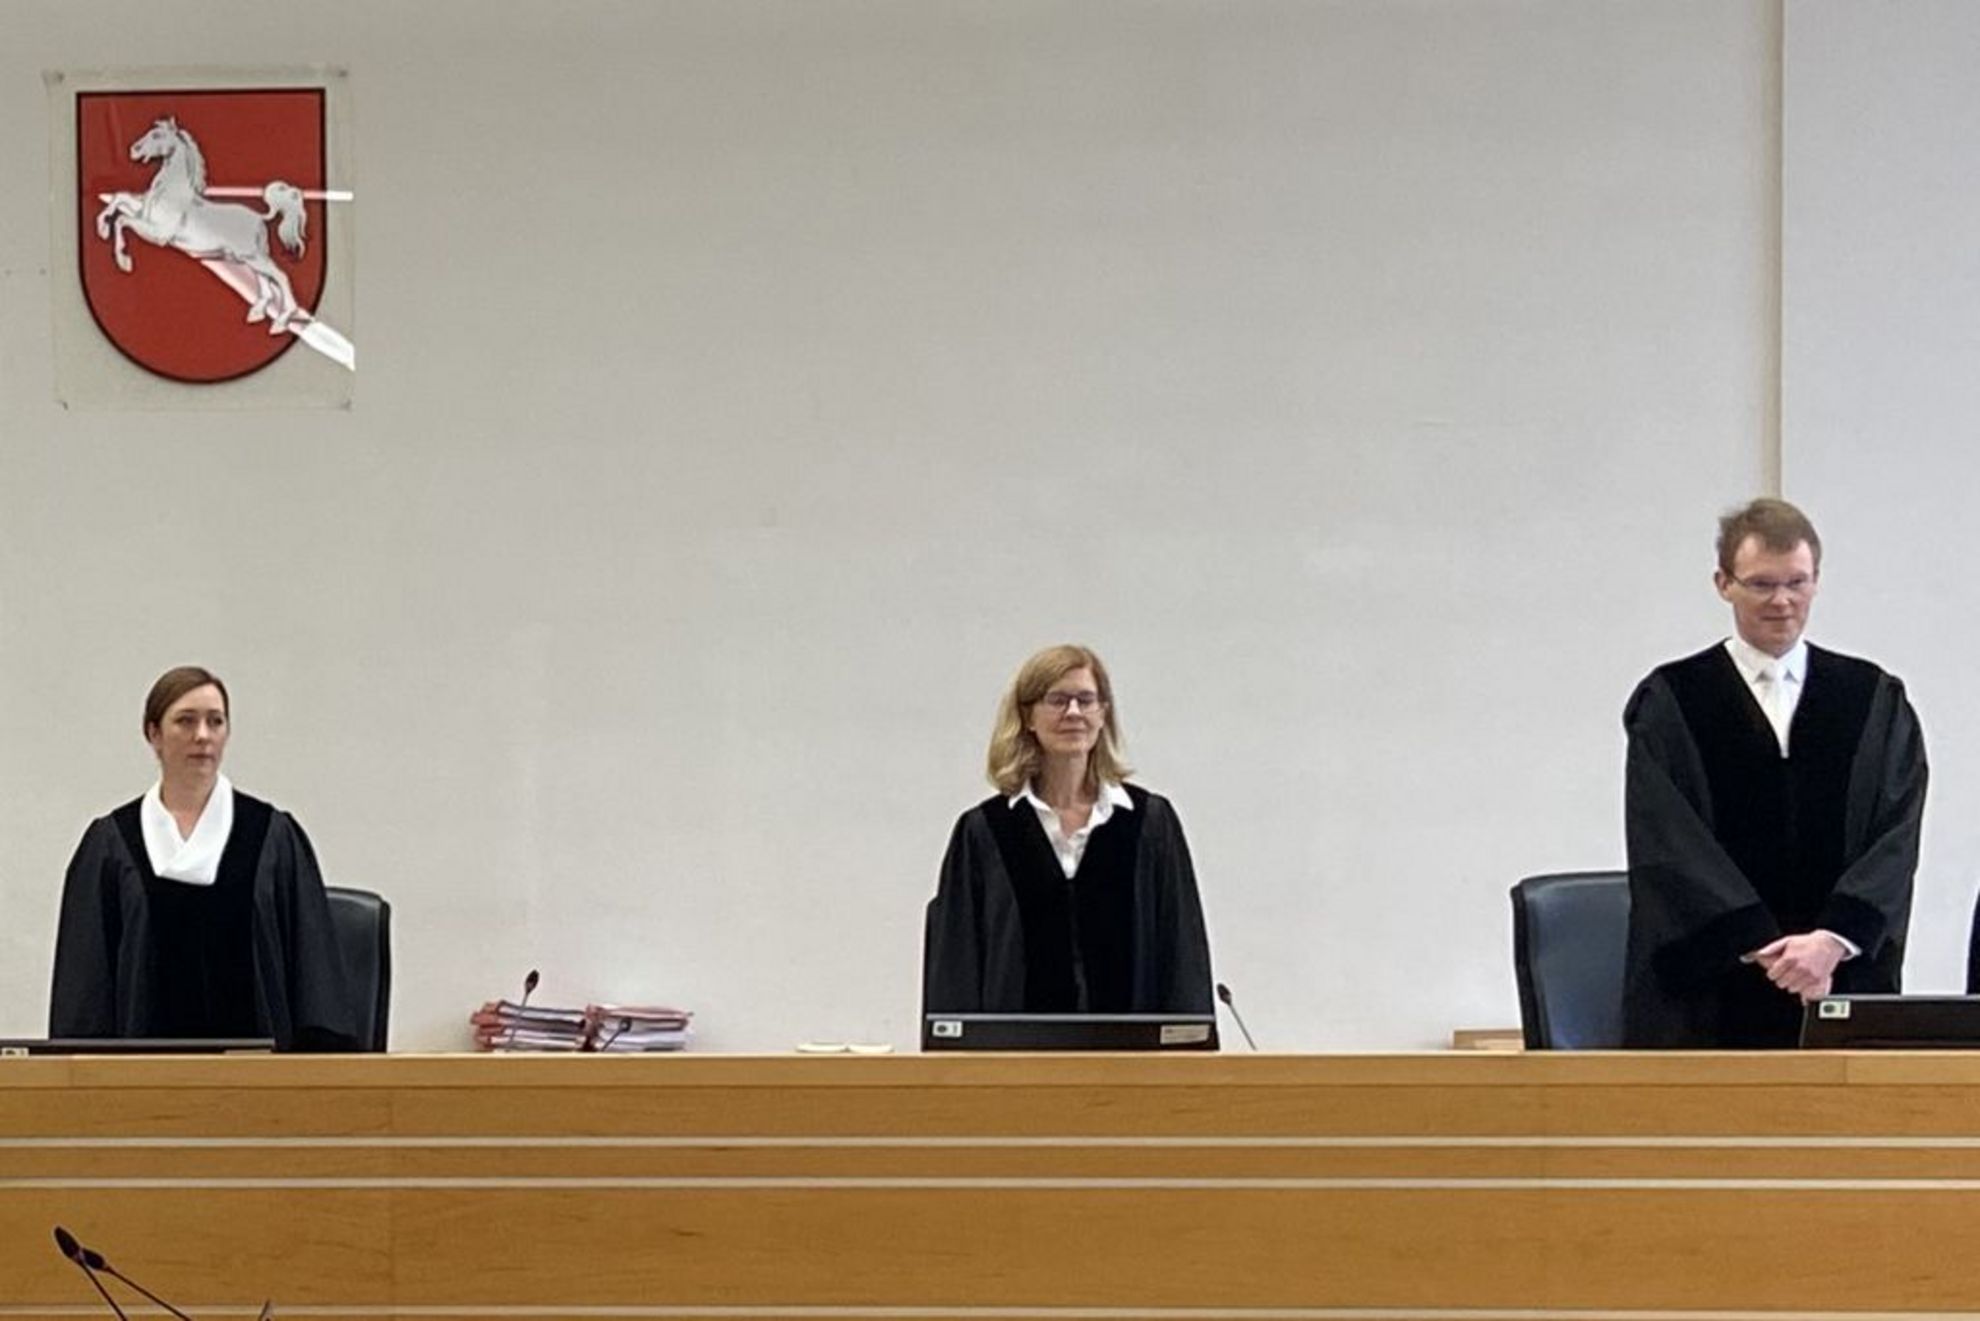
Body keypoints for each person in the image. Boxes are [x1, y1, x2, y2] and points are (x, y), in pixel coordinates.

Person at [1622, 499, 1927, 1048]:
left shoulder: (1870, 698)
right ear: (1724, 584)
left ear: (1816, 581)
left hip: (1840, 979)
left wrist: (1833, 940)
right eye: (1762, 584)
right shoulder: (1673, 700)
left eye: (1796, 582)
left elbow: (1896, 834)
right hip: (1713, 992)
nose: (1782, 601)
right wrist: (1761, 945)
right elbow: (1667, 840)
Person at [49, 666, 360, 1050]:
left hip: (259, 1076)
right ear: (153, 734)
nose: (202, 735)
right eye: (186, 721)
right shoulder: (113, 845)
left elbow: (314, 978)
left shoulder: (270, 836)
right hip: (142, 1077)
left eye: (215, 721)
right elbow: (85, 992)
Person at [922, 644, 1214, 1015]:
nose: (1073, 712)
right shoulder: (985, 831)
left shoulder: (1149, 822)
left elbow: (1182, 953)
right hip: (1016, 1050)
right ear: (1027, 716)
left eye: (1086, 700)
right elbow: (955, 966)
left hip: (1130, 1049)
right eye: (1057, 700)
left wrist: (1188, 1041)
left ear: (1103, 714)